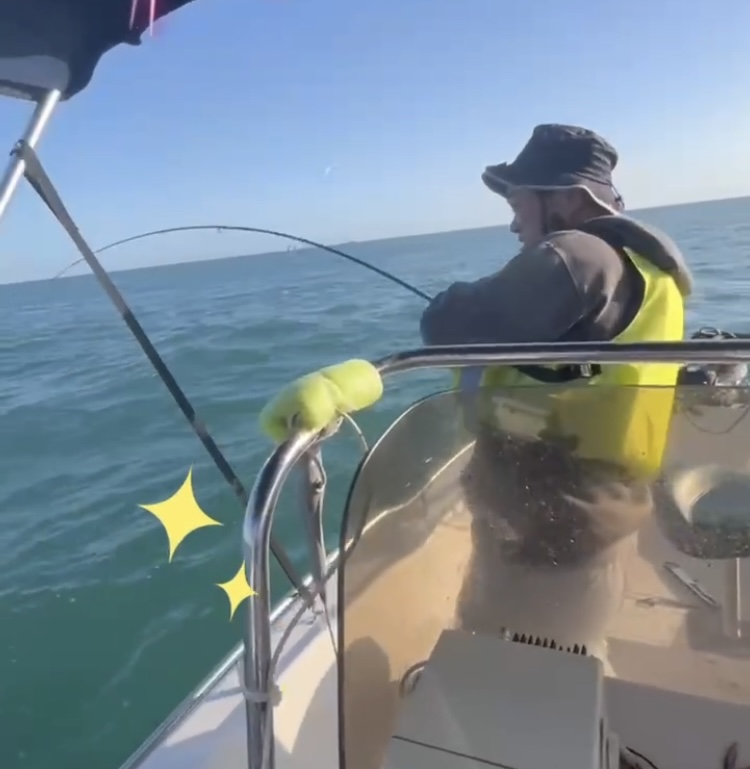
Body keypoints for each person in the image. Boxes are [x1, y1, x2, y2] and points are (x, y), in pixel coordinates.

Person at [422, 124, 694, 666]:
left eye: (519, 203)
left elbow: (446, 325)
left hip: (548, 524)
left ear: (567, 198)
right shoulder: (639, 263)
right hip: (595, 509)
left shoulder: (579, 254)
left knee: (517, 670)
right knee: (573, 656)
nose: (513, 223)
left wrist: (445, 304)